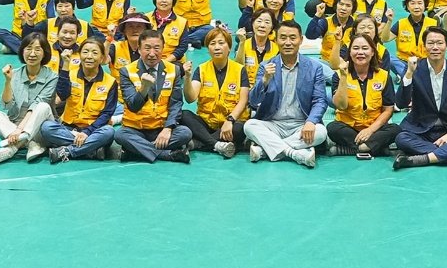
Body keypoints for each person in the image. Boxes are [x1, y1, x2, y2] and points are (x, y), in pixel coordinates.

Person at [242, 21, 332, 166]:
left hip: (301, 124)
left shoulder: (314, 67)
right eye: (283, 38)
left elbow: (320, 100)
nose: (288, 43)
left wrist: (310, 121)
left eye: (292, 38)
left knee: (321, 132)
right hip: (273, 124)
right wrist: (264, 80)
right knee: (249, 125)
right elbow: (253, 101)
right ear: (276, 40)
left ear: (301, 40)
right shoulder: (266, 66)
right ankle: (294, 153)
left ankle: (265, 150)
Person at [393, 25, 447, 169]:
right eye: (431, 43)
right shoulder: (414, 69)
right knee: (401, 139)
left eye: (439, 43)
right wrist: (409, 74)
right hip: (421, 130)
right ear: (424, 46)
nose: (435, 47)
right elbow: (401, 103)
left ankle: (424, 159)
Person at [38, 38, 119, 162]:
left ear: (102, 57)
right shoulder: (70, 74)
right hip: (69, 129)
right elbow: (62, 94)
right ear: (80, 55)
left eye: (95, 53)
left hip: (95, 130)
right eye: (85, 52)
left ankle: (67, 151)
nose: (89, 56)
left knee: (109, 132)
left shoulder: (110, 81)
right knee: (46, 127)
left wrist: (87, 132)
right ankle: (91, 150)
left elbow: (107, 113)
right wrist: (65, 65)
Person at [114, 29, 188, 164]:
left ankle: (136, 151)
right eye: (147, 48)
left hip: (160, 128)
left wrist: (168, 128)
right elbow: (133, 106)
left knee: (185, 133)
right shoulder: (127, 71)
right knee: (120, 135)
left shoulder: (174, 70)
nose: (152, 53)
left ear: (163, 49)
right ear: (139, 49)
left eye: (157, 48)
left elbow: (176, 103)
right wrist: (144, 88)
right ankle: (166, 154)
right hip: (135, 129)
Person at [0, 32, 60, 165]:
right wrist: (8, 81)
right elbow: (7, 105)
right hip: (13, 127)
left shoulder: (52, 76)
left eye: (37, 50)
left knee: (43, 106)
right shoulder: (14, 74)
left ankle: (12, 149)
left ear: (45, 53)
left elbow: (36, 105)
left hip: (38, 127)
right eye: (28, 49)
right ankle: (30, 144)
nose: (32, 54)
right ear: (22, 51)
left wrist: (20, 130)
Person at [328, 34, 398, 160]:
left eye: (365, 48)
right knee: (332, 128)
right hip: (348, 127)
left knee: (396, 129)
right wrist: (343, 77)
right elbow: (341, 106)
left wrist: (370, 130)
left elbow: (388, 110)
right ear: (350, 53)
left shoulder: (383, 76)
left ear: (372, 52)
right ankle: (377, 148)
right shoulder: (338, 75)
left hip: (375, 128)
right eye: (356, 48)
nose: (360, 52)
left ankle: (354, 149)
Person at [183, 24, 247, 156]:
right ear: (208, 48)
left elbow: (243, 100)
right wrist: (187, 78)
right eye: (212, 44)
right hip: (207, 123)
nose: (217, 47)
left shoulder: (240, 70)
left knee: (240, 129)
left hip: (230, 124)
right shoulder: (201, 69)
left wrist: (230, 120)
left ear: (229, 47)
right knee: (184, 115)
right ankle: (217, 144)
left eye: (221, 43)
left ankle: (198, 143)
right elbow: (190, 98)